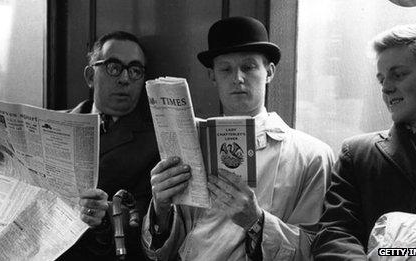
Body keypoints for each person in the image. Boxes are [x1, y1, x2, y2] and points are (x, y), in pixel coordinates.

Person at [141, 16, 334, 260]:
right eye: (226, 69)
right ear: (212, 76)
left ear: (270, 72)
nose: (237, 78)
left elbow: (319, 249)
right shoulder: (189, 145)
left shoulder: (311, 155)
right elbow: (158, 252)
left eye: (249, 66)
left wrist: (257, 222)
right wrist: (161, 208)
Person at [311, 24, 416, 260]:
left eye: (398, 74)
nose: (386, 87)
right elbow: (335, 233)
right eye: (381, 79)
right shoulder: (356, 154)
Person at [57, 31, 160, 260]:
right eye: (114, 67)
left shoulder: (154, 144)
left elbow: (142, 229)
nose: (125, 79)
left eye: (135, 71)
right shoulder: (53, 124)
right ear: (90, 76)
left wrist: (103, 223)